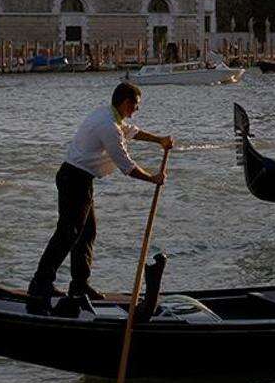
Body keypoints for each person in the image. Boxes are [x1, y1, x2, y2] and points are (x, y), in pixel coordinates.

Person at [28, 82, 172, 304]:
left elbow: (131, 132)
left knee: (87, 232)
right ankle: (40, 283)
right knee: (68, 233)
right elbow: (127, 166)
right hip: (74, 179)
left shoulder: (109, 115)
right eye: (136, 105)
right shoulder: (108, 126)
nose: (137, 110)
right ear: (126, 103)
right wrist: (153, 179)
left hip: (79, 179)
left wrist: (159, 140)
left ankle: (79, 285)